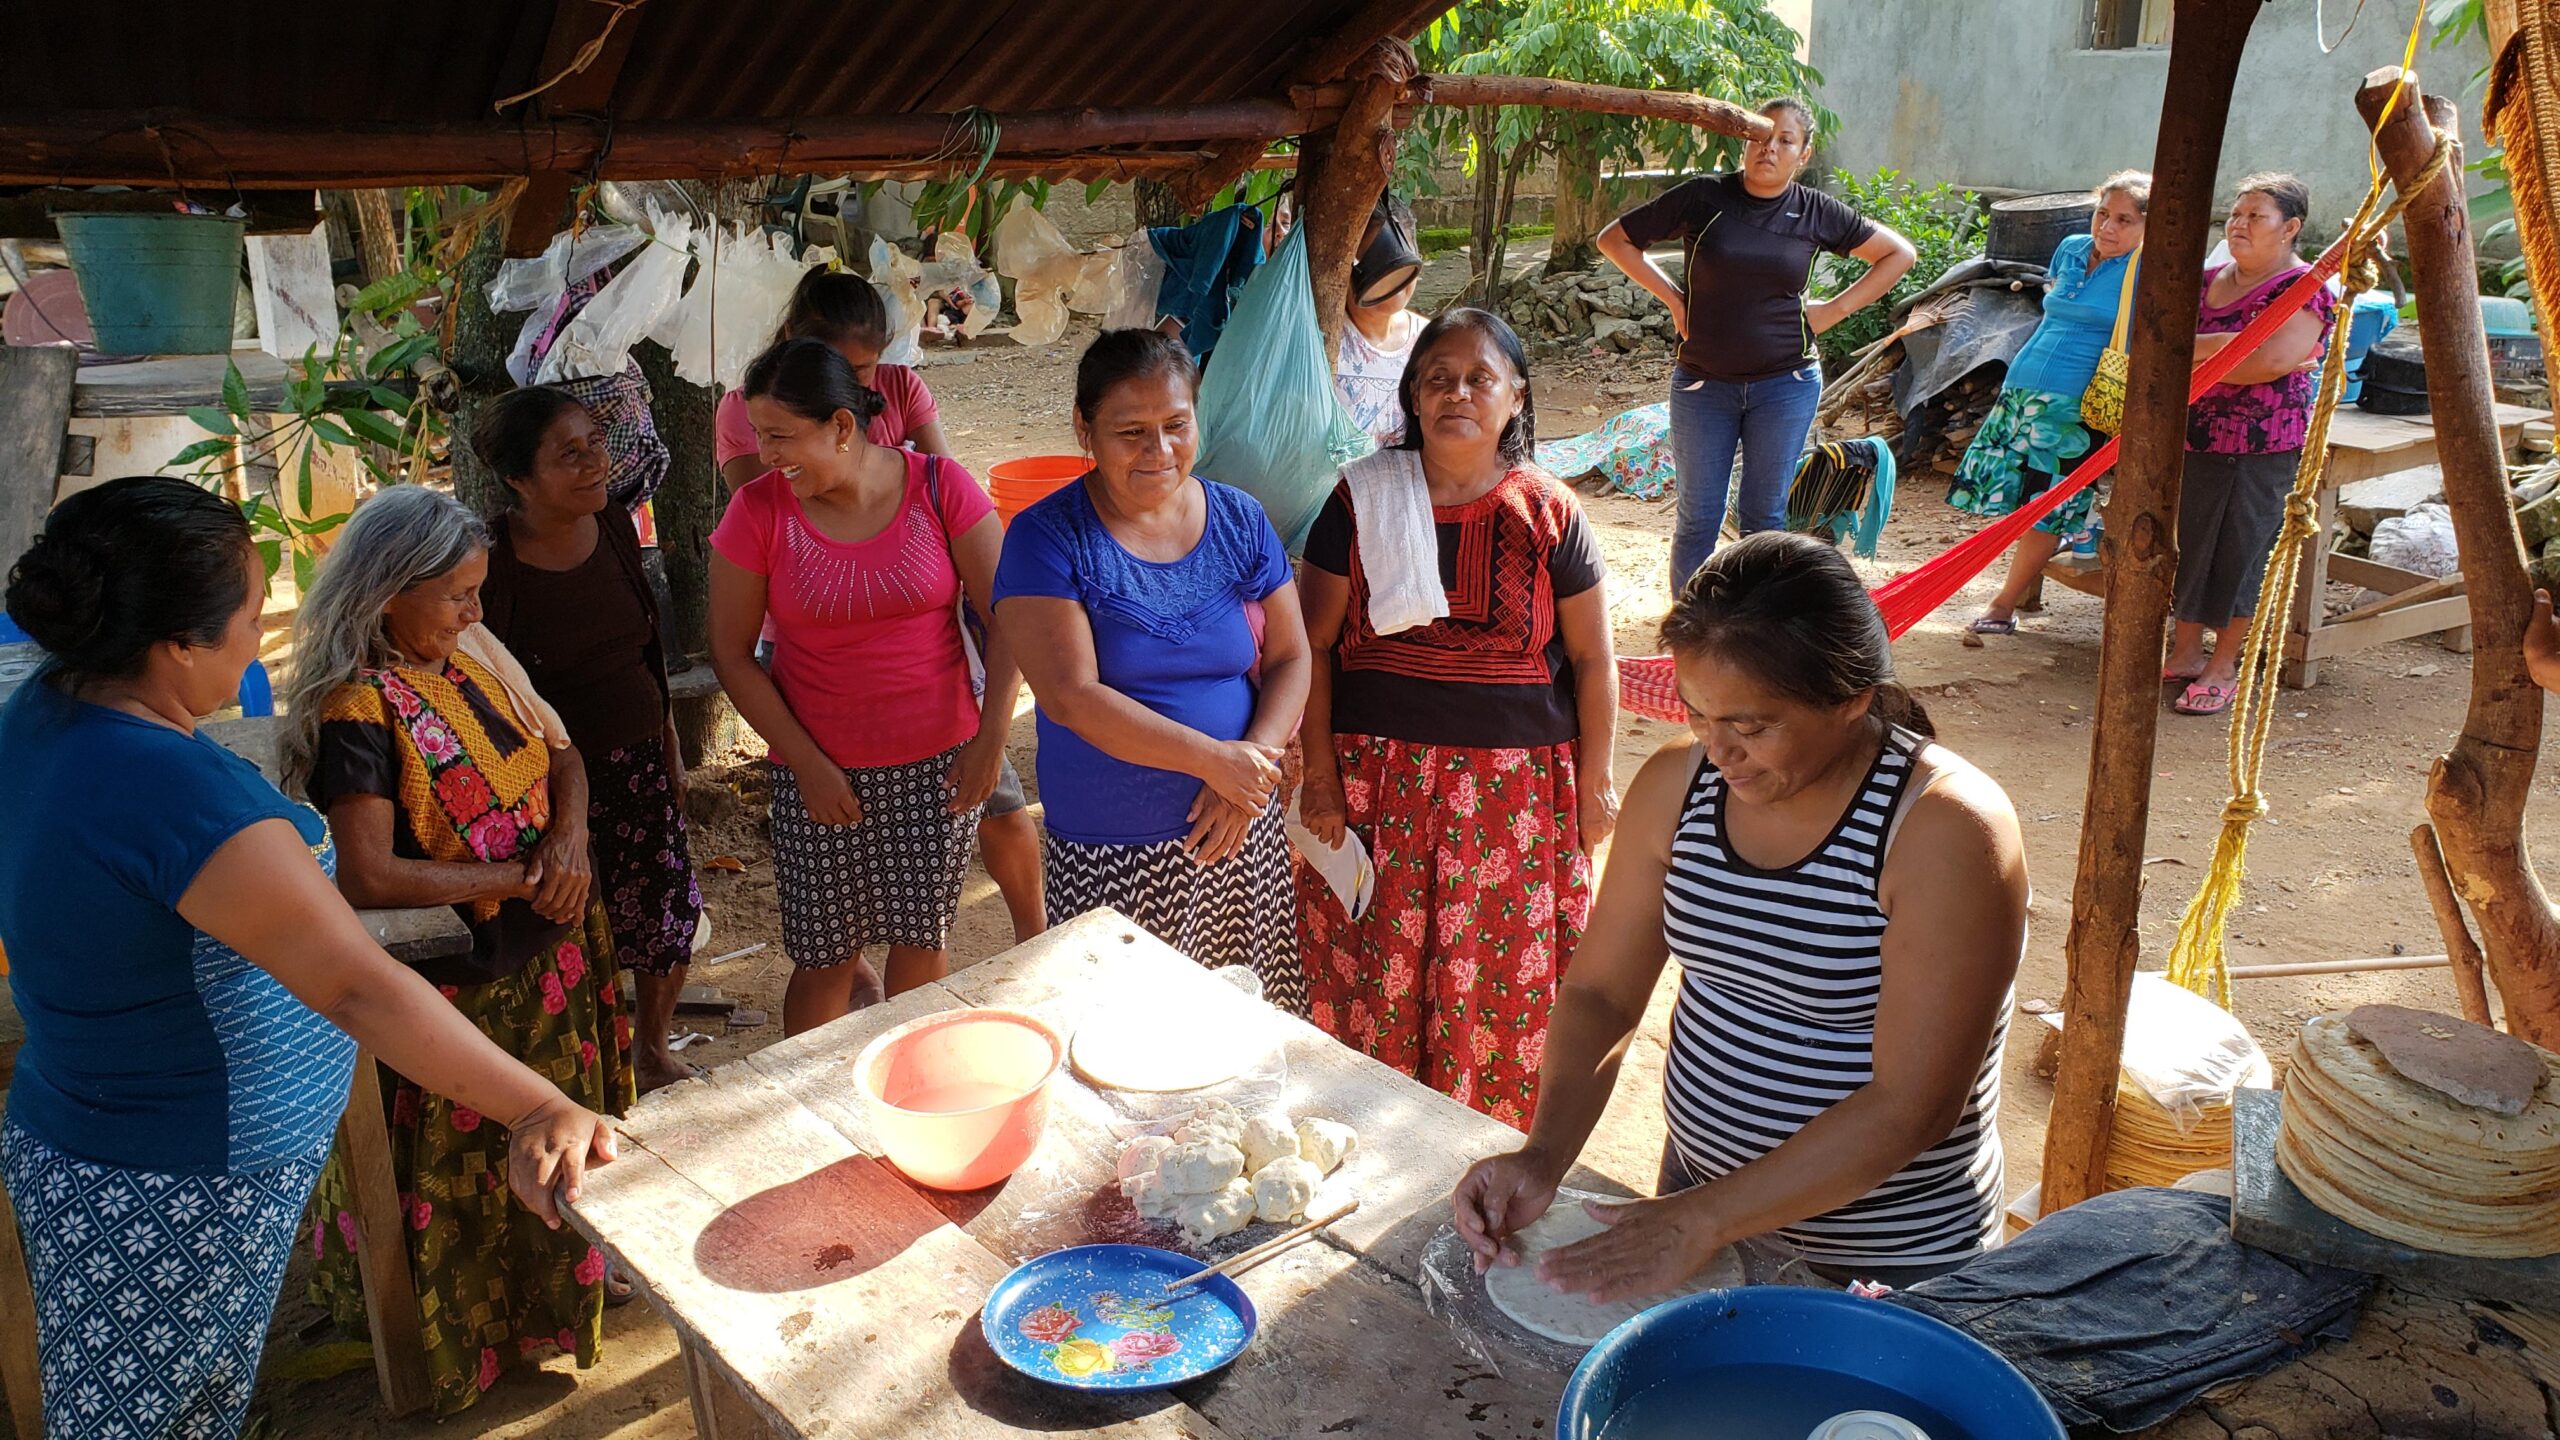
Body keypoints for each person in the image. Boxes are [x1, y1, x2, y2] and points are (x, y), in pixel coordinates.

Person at [0, 477, 614, 1438]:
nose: (261, 639)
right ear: (176, 645)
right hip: (180, 1180)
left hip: (93, 1136)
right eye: (249, 618)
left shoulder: (41, 709)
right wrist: (536, 1104)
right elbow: (357, 986)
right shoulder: (188, 801)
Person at [1452, 533, 2026, 1294]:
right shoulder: (1677, 788)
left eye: (1751, 727)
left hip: (1881, 1256)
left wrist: (1696, 1221)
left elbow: (1910, 1106)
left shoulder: (1944, 829)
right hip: (1698, 1202)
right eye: (1698, 716)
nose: (1720, 752)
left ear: (1851, 699)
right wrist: (1545, 1152)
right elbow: (1602, 994)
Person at [278, 484, 634, 1416]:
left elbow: (563, 755)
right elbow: (366, 875)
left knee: (547, 1146)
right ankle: (460, 1352)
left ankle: (563, 1293)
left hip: (545, 959)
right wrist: (520, 880)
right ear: (387, 593)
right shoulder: (360, 710)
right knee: (470, 1176)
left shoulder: (466, 656)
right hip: (463, 992)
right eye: (458, 596)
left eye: (477, 594)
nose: (477, 613)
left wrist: (569, 842)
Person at [1297, 309, 1619, 1129]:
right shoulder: (1361, 496)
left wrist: (1596, 786)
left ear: (1516, 396)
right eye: (1437, 377)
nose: (1457, 393)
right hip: (1382, 789)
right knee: (1379, 973)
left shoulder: (1549, 512)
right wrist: (1323, 780)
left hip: (1511, 803)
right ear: (1412, 392)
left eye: (1480, 377)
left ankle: (1477, 1149)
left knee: (1494, 982)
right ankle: (1371, 1131)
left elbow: (1592, 660)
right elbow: (1314, 645)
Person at [716, 268, 1046, 946]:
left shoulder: (914, 432)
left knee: (925, 928)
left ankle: (1034, 940)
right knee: (830, 941)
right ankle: (852, 979)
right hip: (809, 658)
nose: (862, 385)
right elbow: (773, 520)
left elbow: (986, 568)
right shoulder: (759, 460)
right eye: (764, 437)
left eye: (866, 368)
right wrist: (803, 760)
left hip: (932, 699)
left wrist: (989, 737)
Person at [993, 329, 1312, 1010]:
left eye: (1175, 425)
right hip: (1115, 850)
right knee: (1127, 1047)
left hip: (1239, 833)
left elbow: (1290, 654)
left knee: (1241, 1037)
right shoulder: (1046, 538)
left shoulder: (1239, 519)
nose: (1159, 451)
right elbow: (1072, 696)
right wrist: (1214, 762)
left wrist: (1249, 764)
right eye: (1130, 431)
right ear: (1085, 429)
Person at [475, 387, 704, 1093]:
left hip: (639, 763)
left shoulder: (612, 523)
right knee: (574, 921)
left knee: (664, 909)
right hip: (548, 786)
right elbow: (495, 693)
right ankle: (588, 1060)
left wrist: (668, 745)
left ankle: (654, 1051)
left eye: (596, 444)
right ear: (519, 479)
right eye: (568, 454)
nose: (594, 464)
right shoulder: (493, 563)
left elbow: (646, 646)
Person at [1597, 96, 1917, 591]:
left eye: (1784, 141)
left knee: (1763, 520)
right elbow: (1613, 239)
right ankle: (1691, 630)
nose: (1769, 149)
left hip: (1785, 384)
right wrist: (1674, 298)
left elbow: (1898, 254)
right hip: (1704, 384)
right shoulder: (1704, 197)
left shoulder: (1816, 212)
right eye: (1759, 137)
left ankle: (1751, 636)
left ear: (1803, 154)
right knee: (1698, 518)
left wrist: (1833, 311)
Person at [2165, 173, 2337, 717]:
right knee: (2190, 547)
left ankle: (2224, 665)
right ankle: (2187, 651)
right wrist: (2235, 344)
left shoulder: (2305, 290)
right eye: (2235, 215)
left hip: (2264, 445)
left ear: (2290, 228)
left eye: (2254, 216)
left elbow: (2272, 361)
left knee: (2244, 551)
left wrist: (2194, 348)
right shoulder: (2206, 280)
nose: (2238, 225)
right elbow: (2155, 339)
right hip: (2195, 436)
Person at [1954, 172, 2151, 634]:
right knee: (2015, 496)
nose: (2108, 227)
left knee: (2049, 504)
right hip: (2023, 385)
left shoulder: (2147, 268)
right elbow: (2051, 313)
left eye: (2125, 220)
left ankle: (2003, 605)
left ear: (2147, 227)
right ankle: (2024, 584)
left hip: (2076, 403)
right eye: (2104, 213)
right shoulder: (2072, 249)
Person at [1333, 192, 1427, 446]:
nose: (1390, 278)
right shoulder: (1322, 339)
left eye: (1399, 262)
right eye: (1375, 262)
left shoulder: (1429, 341)